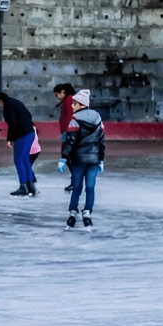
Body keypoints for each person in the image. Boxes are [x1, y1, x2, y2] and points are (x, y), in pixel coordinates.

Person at [58, 89, 105, 231]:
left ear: (80, 104)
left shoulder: (75, 120)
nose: (72, 106)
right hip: (93, 159)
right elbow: (101, 141)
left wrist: (64, 158)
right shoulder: (98, 118)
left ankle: (73, 212)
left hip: (78, 159)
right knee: (90, 188)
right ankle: (87, 212)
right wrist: (101, 159)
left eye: (74, 104)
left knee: (77, 187)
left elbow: (70, 142)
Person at [0, 92, 36, 197]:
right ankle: (31, 186)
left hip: (21, 135)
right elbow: (29, 115)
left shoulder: (7, 106)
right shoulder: (16, 102)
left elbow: (12, 123)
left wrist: (10, 139)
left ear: (0, 101)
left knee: (18, 160)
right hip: (30, 132)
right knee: (25, 159)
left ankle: (23, 186)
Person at [53, 83, 76, 192]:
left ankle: (75, 180)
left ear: (63, 92)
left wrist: (67, 133)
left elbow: (69, 117)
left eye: (57, 94)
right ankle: (75, 180)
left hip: (68, 133)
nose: (57, 97)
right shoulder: (66, 101)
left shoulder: (69, 101)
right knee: (68, 158)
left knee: (68, 157)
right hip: (67, 132)